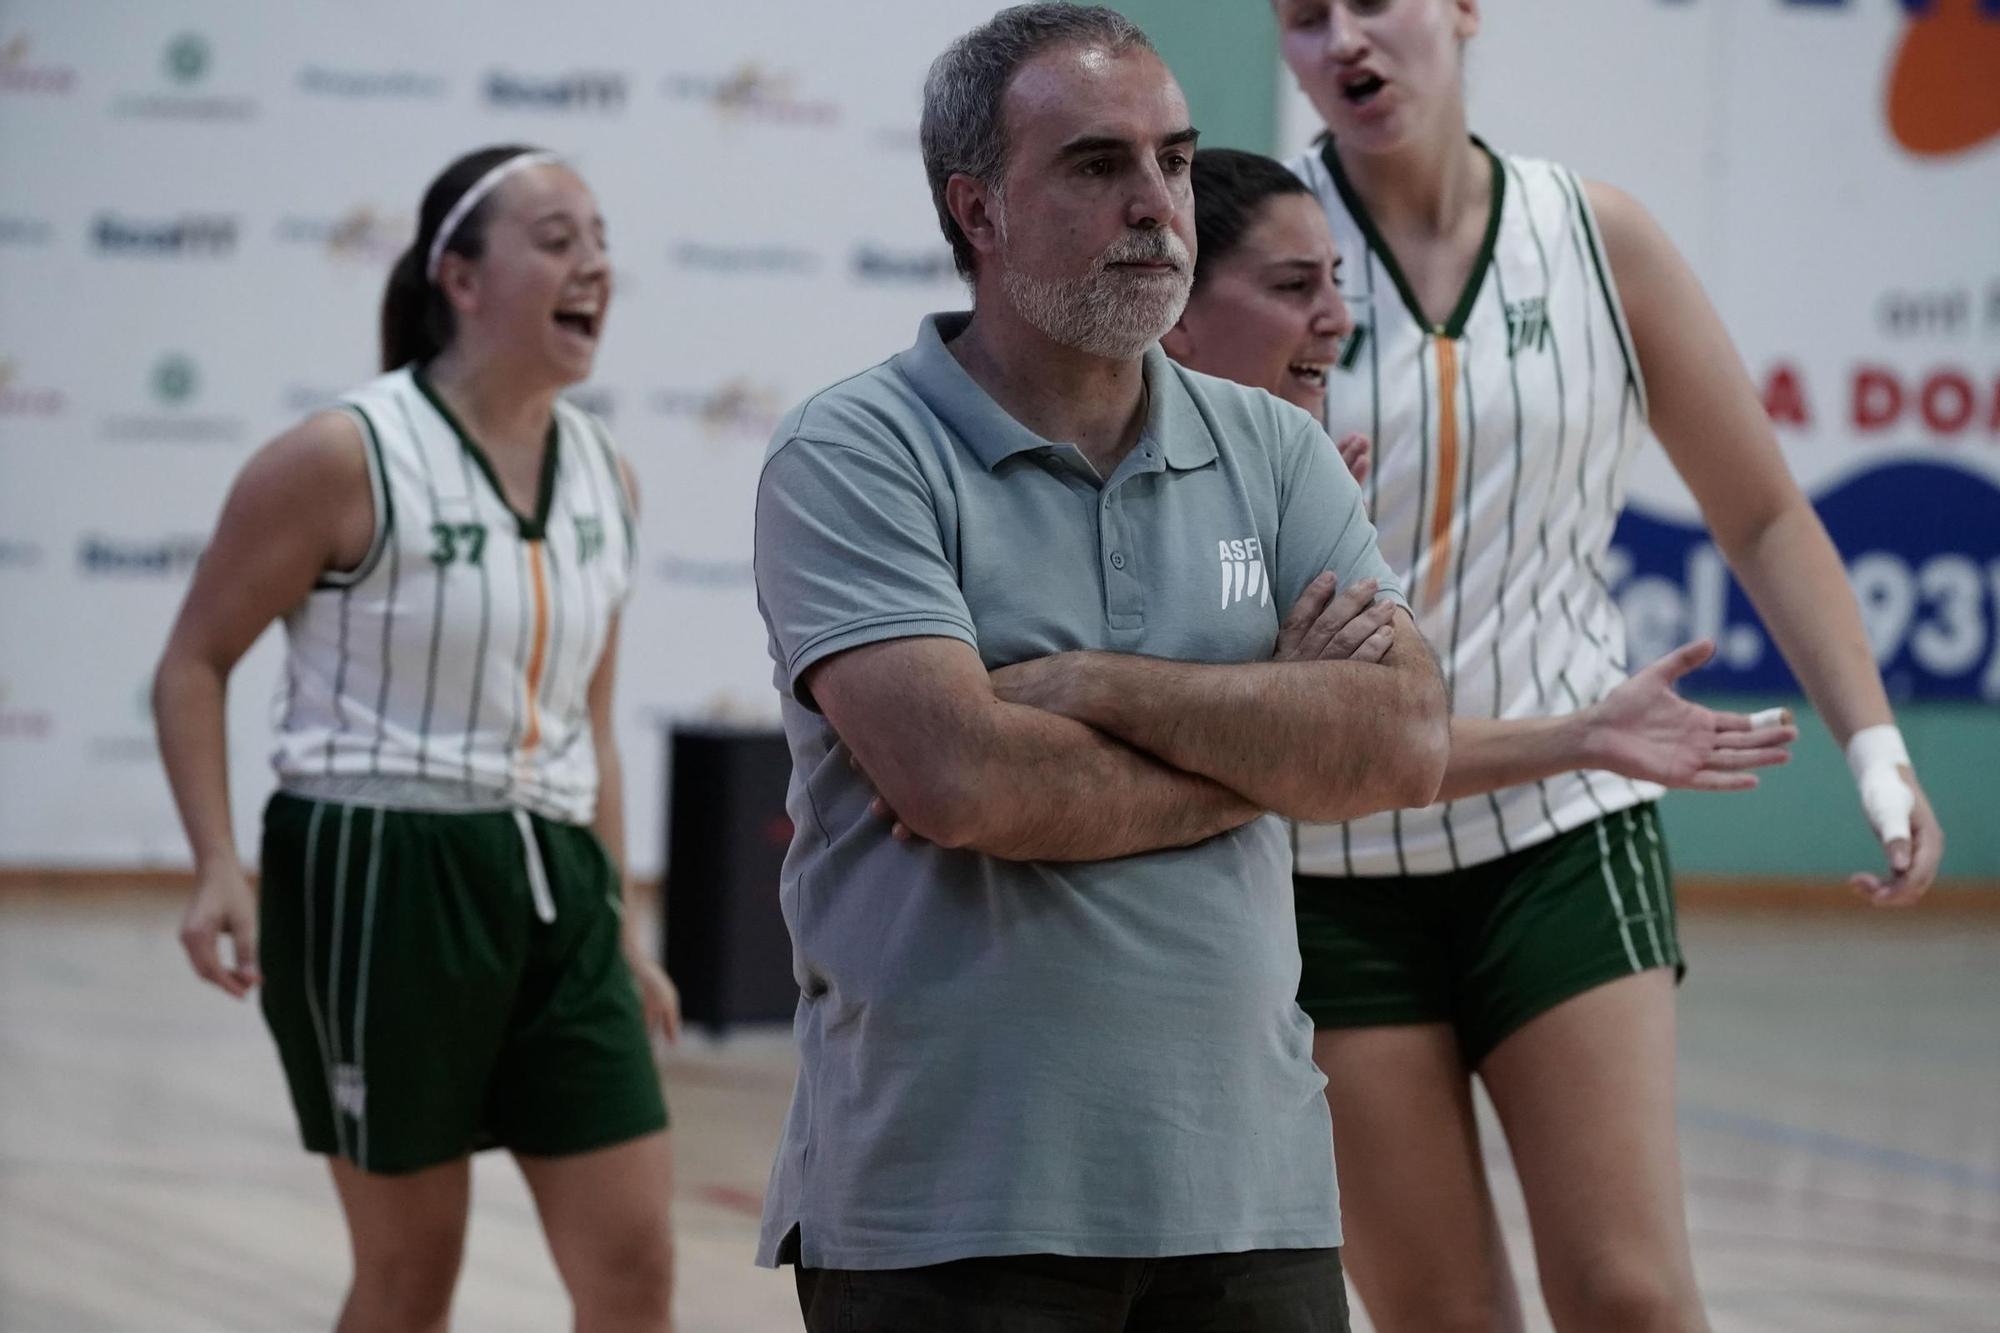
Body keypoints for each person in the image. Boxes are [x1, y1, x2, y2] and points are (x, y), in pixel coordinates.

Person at [750, 5, 1449, 1329]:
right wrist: (1272, 745)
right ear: (978, 210)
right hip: (947, 1208)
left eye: (1175, 162)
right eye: (1096, 166)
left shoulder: (1280, 450)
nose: (1156, 204)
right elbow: (967, 783)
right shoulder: (854, 454)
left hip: (1255, 1197)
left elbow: (1401, 746)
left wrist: (1103, 687)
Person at [1252, 3, 1948, 1329]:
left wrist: (1875, 746)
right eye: (1302, 16)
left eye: (1373, 1)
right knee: (1440, 1314)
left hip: (1565, 827)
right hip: (1327, 873)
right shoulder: (1253, 254)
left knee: (1631, 1295)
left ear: (1462, 9)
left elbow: (1761, 513)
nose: (1343, 38)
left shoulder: (1595, 237)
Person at [153, 144, 679, 1333]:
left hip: (561, 884)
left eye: (598, 239)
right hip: (378, 872)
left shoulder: (610, 475)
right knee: (409, 1276)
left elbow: (586, 716)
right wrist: (217, 864)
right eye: (555, 239)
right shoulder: (341, 454)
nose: (592, 262)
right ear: (459, 275)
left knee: (636, 1266)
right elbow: (193, 663)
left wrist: (624, 929)